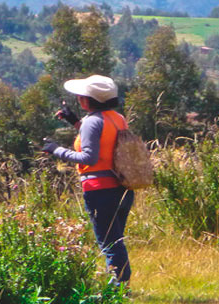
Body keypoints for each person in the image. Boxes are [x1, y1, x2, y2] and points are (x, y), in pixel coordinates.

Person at [41, 75, 133, 285]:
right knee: (116, 238)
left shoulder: (92, 122)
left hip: (100, 190)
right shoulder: (118, 118)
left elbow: (89, 158)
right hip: (123, 187)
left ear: (87, 100)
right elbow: (104, 140)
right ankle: (119, 285)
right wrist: (74, 122)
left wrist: (57, 150)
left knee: (109, 243)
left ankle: (119, 287)